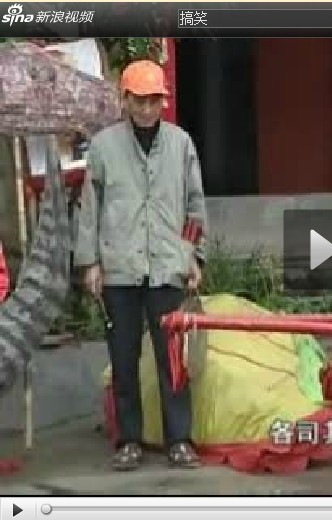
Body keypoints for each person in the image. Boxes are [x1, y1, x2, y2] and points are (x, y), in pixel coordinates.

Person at [75, 59, 207, 471]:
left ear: (163, 101)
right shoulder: (103, 147)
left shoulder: (181, 144)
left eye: (153, 100)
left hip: (168, 265)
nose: (147, 108)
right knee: (124, 358)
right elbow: (89, 209)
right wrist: (90, 263)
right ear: (125, 100)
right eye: (139, 100)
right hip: (119, 267)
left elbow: (194, 207)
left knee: (173, 360)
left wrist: (193, 255)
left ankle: (179, 440)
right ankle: (128, 440)